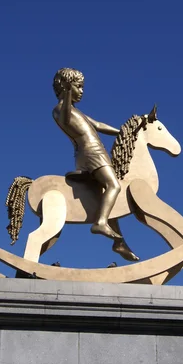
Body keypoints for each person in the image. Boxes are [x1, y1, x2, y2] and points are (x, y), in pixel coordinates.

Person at [52, 67, 123, 240]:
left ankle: (120, 242)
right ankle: (101, 222)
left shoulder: (78, 112)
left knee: (103, 193)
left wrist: (121, 132)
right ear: (66, 86)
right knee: (114, 186)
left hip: (88, 154)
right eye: (78, 86)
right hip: (92, 153)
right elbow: (65, 120)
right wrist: (68, 93)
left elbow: (98, 125)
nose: (82, 91)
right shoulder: (61, 109)